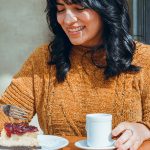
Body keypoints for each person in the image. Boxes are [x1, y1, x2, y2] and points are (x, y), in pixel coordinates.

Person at [0, 0, 150, 149]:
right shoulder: (43, 59)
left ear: (106, 8)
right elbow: (8, 115)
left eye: (79, 8)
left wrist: (144, 129)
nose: (67, 20)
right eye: (60, 9)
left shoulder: (144, 58)